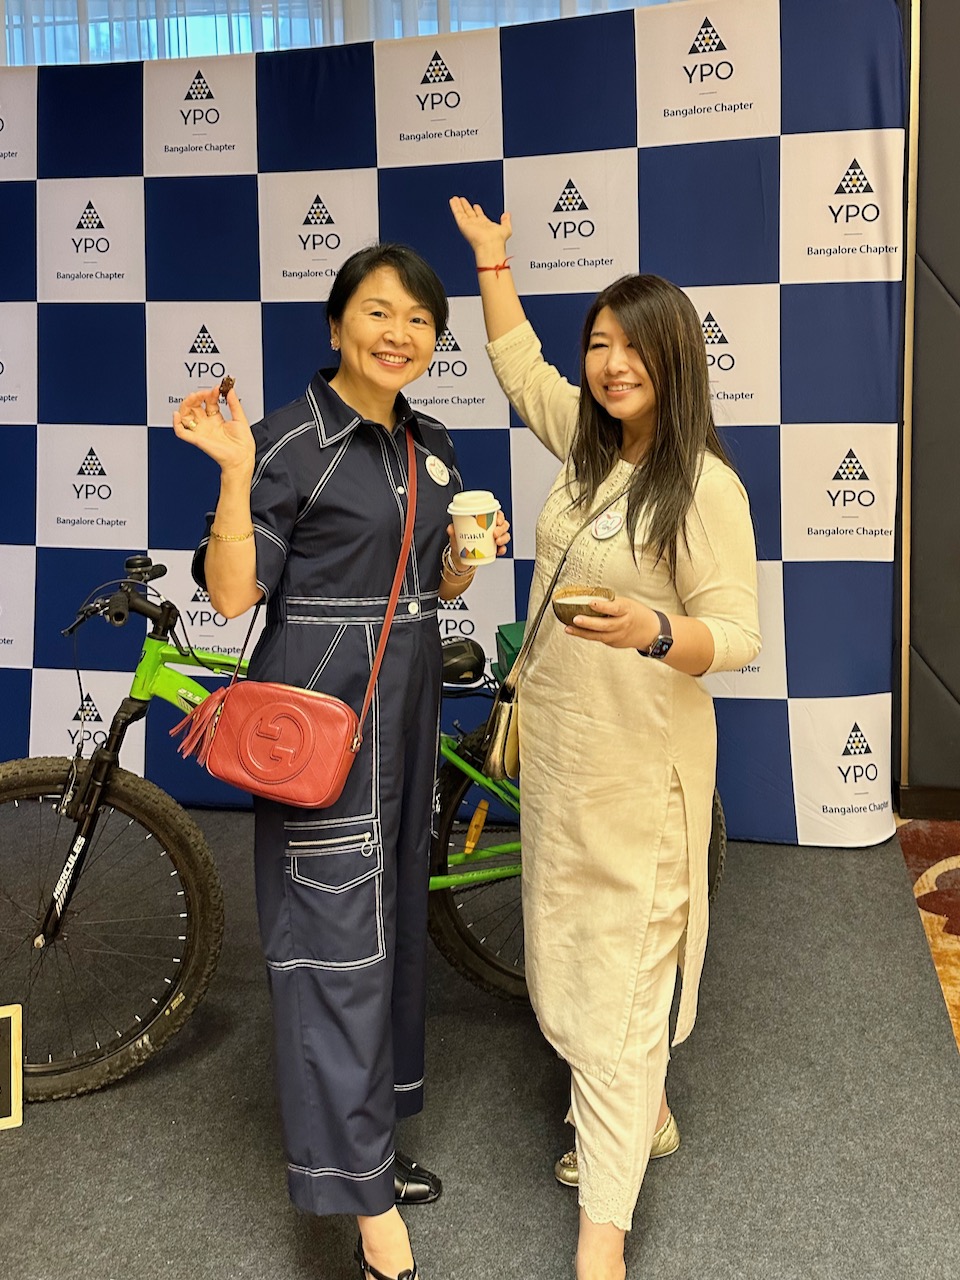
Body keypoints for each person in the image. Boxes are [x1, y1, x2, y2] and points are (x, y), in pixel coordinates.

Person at [173, 242, 510, 1280]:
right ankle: (366, 1209)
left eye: (419, 319)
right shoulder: (286, 442)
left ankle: (373, 1145)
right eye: (377, 311)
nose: (399, 333)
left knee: (392, 932)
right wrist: (234, 474)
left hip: (406, 709)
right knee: (334, 945)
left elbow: (429, 582)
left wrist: (462, 563)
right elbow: (232, 594)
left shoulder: (430, 443)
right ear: (335, 325)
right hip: (324, 719)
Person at [450, 197, 760, 1280]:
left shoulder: (703, 485)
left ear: (676, 361)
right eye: (599, 344)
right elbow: (519, 365)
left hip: (641, 771)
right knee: (574, 955)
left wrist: (652, 629)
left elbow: (739, 637)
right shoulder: (586, 451)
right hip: (563, 758)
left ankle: (603, 1238)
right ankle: (644, 1104)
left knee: (623, 973)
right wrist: (493, 262)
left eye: (634, 347)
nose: (612, 364)